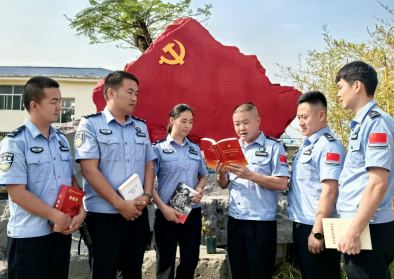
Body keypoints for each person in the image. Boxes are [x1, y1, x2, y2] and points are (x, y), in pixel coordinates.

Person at [0, 77, 85, 279]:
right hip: (30, 237)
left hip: (60, 234)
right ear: (34, 105)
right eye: (54, 101)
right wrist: (56, 216)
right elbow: (17, 194)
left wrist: (80, 212)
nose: (60, 106)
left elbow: (72, 182)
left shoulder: (61, 140)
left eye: (60, 100)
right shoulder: (15, 142)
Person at [74, 71, 157, 279]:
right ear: (111, 92)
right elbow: (89, 170)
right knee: (104, 272)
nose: (134, 98)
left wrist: (146, 196)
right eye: (129, 92)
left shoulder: (141, 126)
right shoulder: (91, 124)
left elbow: (149, 164)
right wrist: (120, 204)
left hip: (137, 213)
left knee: (133, 272)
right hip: (104, 215)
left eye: (136, 93)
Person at [215, 103, 289, 279]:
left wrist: (250, 175)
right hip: (235, 220)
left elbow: (281, 183)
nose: (241, 128)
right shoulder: (231, 148)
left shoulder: (273, 147)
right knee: (238, 273)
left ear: (257, 121)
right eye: (237, 124)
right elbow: (224, 184)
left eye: (245, 122)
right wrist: (220, 175)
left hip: (260, 223)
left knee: (260, 274)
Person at [336, 61, 394, 279]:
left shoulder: (376, 123)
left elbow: (378, 183)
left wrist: (353, 231)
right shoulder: (361, 125)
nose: (338, 94)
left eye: (341, 87)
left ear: (357, 86)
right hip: (362, 224)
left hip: (367, 226)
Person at [287, 91, 346, 279]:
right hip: (302, 223)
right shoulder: (307, 145)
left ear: (321, 115)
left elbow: (330, 191)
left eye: (304, 117)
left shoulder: (329, 146)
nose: (300, 122)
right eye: (298, 118)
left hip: (319, 226)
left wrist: (318, 231)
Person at [152, 104, 207, 279]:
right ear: (172, 120)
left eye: (190, 122)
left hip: (191, 211)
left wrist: (199, 190)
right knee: (165, 264)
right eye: (183, 121)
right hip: (166, 211)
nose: (187, 125)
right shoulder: (158, 149)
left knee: (190, 261)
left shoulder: (195, 149)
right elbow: (148, 184)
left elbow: (203, 177)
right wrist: (163, 208)